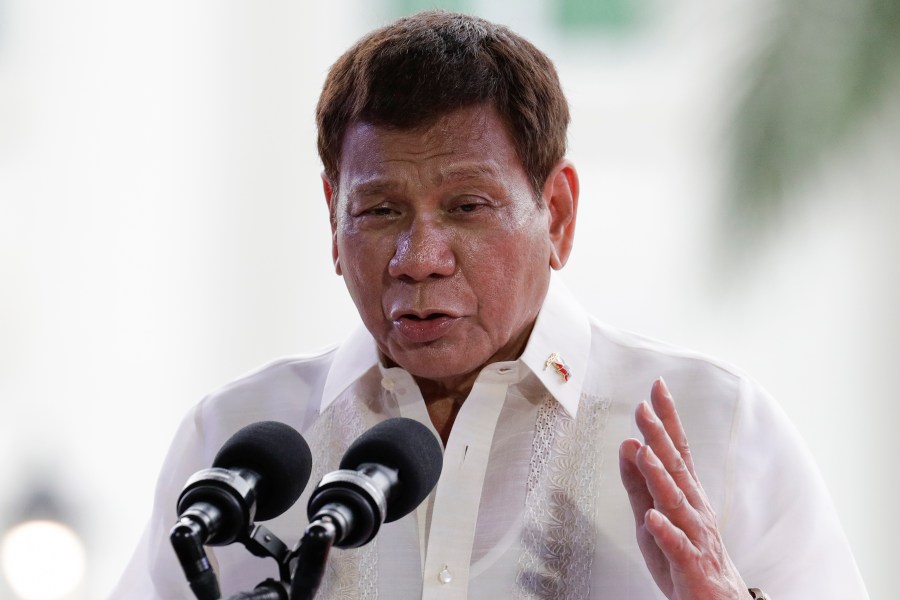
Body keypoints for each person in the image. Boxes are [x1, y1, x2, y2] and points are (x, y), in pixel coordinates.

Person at [113, 10, 869, 600]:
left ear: (559, 214)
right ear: (332, 219)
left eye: (467, 206)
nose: (418, 260)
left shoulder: (717, 427)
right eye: (378, 211)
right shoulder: (236, 447)